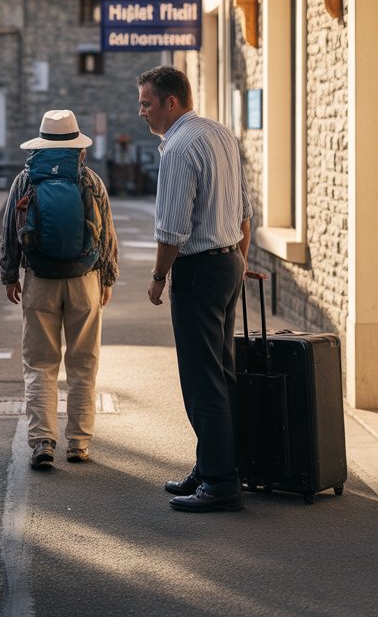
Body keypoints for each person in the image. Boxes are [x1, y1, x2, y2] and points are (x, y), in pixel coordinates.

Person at [137, 65, 253, 513]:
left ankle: (220, 483)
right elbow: (244, 210)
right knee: (220, 373)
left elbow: (172, 229)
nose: (141, 111)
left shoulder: (178, 149)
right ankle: (212, 467)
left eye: (147, 102)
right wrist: (239, 260)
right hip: (227, 264)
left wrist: (159, 276)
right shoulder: (220, 135)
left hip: (199, 272)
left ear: (171, 102)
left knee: (202, 381)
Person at [0, 109, 118, 469]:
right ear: (79, 148)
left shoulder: (25, 180)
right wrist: (107, 277)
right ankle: (79, 443)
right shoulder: (91, 180)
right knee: (83, 364)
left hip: (40, 280)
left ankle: (42, 442)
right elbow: (108, 235)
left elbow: (10, 231)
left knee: (39, 364)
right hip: (84, 280)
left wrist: (10, 275)